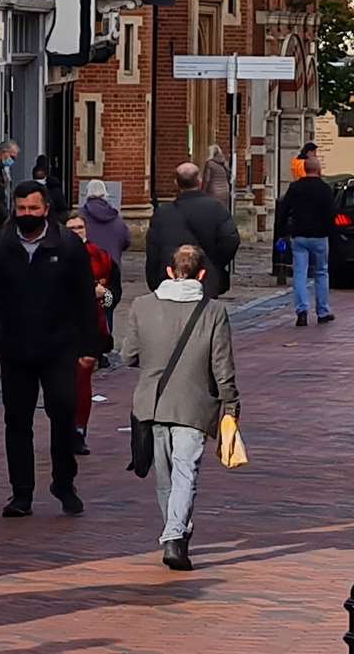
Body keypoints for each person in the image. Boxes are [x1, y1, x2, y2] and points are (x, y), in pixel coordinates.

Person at [0, 181, 101, 518]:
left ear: (46, 209)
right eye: (21, 209)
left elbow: (85, 299)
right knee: (17, 421)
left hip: (59, 346)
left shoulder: (68, 245)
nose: (27, 215)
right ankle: (21, 493)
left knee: (62, 414)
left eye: (33, 209)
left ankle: (63, 481)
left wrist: (89, 347)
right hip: (15, 346)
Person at [121, 243, 240, 571]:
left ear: (169, 272)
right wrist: (231, 405)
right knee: (186, 472)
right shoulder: (213, 312)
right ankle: (175, 535)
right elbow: (222, 367)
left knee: (165, 476)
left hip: (152, 404)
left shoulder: (142, 306)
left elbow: (127, 356)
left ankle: (175, 532)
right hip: (195, 403)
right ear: (202, 275)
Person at [64, 213, 117, 456]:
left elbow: (113, 295)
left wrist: (103, 294)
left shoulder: (101, 257)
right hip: (61, 326)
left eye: (80, 227)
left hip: (90, 326)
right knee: (63, 381)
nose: (77, 231)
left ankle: (78, 430)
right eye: (72, 228)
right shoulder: (55, 255)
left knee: (83, 379)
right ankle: (63, 427)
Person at [146, 163, 241, 298]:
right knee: (203, 315)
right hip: (205, 277)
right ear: (200, 181)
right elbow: (231, 240)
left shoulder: (163, 213)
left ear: (176, 183)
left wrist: (153, 279)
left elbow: (153, 249)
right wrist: (215, 264)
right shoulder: (215, 208)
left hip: (169, 277)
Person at [274, 156, 335, 327]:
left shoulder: (295, 188)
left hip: (299, 236)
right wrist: (333, 235)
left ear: (304, 169)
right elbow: (331, 214)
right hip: (319, 236)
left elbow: (284, 211)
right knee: (321, 272)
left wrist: (281, 232)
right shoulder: (325, 189)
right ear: (319, 169)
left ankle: (302, 311)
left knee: (300, 273)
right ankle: (323, 311)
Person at [79, 179, 131, 335]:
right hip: (110, 272)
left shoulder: (79, 218)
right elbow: (126, 241)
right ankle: (105, 344)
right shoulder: (116, 220)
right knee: (107, 306)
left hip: (84, 270)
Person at [203, 144, 233, 211]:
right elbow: (228, 176)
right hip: (225, 190)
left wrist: (202, 192)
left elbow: (206, 179)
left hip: (213, 191)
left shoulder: (209, 163)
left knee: (212, 210)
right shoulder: (224, 162)